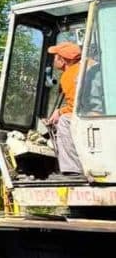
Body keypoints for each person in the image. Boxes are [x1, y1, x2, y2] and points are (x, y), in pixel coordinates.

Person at [47, 41, 83, 175]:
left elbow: (76, 107)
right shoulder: (84, 68)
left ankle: (73, 170)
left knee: (63, 122)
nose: (54, 60)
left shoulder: (70, 75)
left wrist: (60, 112)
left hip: (90, 116)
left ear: (62, 60)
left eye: (55, 56)